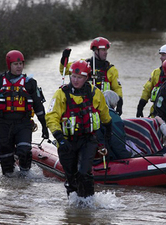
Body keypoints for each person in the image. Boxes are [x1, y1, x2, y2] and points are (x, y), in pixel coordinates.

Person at [0, 50, 49, 176]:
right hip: (4, 124)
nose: (19, 66)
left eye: (21, 63)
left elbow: (38, 106)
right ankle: (9, 183)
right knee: (6, 161)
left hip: (23, 123)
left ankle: (25, 178)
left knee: (24, 151)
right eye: (15, 64)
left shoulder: (30, 83)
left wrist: (44, 126)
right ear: (9, 65)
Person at [46, 59, 112, 198]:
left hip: (87, 139)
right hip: (66, 141)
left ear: (86, 78)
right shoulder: (61, 94)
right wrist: (59, 139)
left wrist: (106, 137)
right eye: (73, 77)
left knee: (84, 172)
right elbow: (52, 117)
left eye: (79, 77)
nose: (75, 80)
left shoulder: (95, 93)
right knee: (71, 177)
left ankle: (88, 202)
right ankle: (74, 208)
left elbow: (105, 116)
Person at [60, 37, 124, 115]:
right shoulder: (84, 64)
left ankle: (107, 118)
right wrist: (64, 58)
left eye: (106, 50)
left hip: (104, 106)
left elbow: (117, 88)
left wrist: (120, 104)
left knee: (108, 94)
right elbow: (64, 70)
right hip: (86, 102)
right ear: (95, 51)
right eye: (103, 50)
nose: (106, 52)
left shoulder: (111, 69)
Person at [96, 90, 133, 161]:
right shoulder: (113, 117)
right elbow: (117, 141)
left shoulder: (96, 112)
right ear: (114, 102)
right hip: (108, 156)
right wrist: (126, 157)